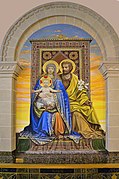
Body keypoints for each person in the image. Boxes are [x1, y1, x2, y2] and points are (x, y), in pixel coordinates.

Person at [20, 60, 81, 144]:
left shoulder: (57, 81)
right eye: (48, 68)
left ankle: (58, 133)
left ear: (55, 70)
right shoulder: (41, 80)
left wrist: (54, 99)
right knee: (45, 114)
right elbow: (37, 92)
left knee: (57, 115)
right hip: (43, 105)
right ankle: (45, 132)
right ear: (46, 69)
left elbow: (62, 94)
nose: (50, 70)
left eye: (52, 68)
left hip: (55, 106)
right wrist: (38, 96)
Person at [59, 59, 105, 139]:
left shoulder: (75, 79)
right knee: (76, 113)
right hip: (61, 102)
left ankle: (88, 131)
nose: (64, 69)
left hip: (74, 101)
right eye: (63, 67)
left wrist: (85, 100)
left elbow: (80, 92)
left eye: (66, 67)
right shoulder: (58, 78)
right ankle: (84, 131)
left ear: (70, 68)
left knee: (88, 109)